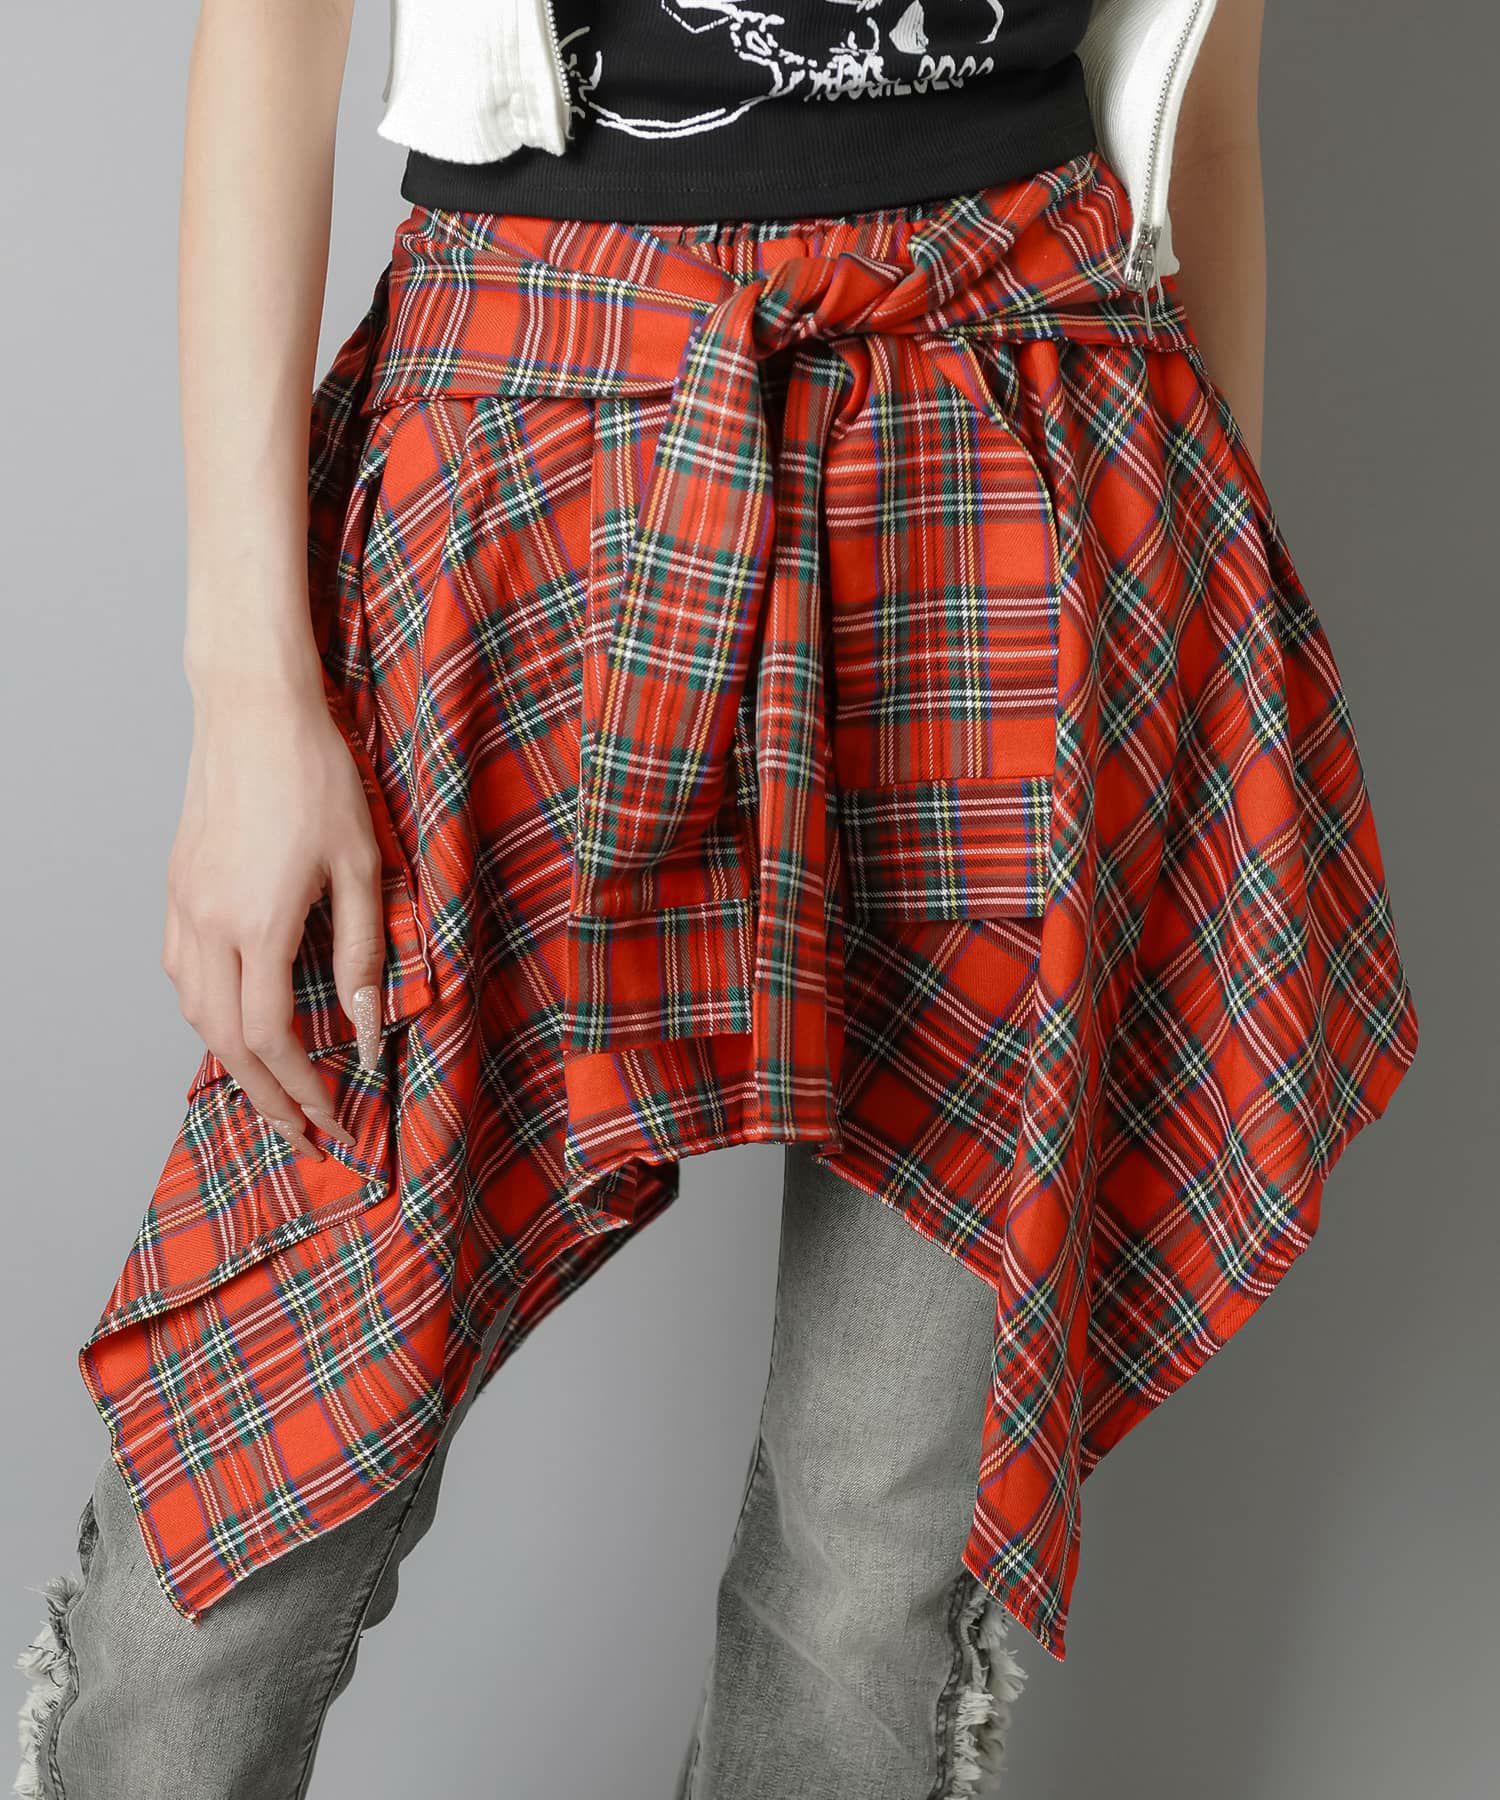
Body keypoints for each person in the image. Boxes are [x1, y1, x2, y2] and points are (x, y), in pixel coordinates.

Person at [14, 1, 1419, 1796]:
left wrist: (1197, 666)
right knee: (271, 1446)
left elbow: (1202, 117)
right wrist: (248, 697)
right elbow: (270, 39)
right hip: (536, 452)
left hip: (1023, 444)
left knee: (877, 1559)